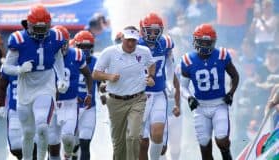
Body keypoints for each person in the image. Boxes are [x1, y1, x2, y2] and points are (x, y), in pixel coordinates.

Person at [2, 5, 68, 160]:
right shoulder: (19, 39)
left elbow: (58, 59)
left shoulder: (56, 37)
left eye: (43, 28)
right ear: (29, 25)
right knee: (28, 132)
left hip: (45, 84)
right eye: (36, 28)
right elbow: (6, 68)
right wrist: (19, 69)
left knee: (43, 127)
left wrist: (62, 78)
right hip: (25, 88)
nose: (40, 32)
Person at [92, 26, 156, 160]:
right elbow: (95, 74)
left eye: (134, 40)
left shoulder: (144, 51)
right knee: (119, 143)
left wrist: (151, 77)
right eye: (128, 40)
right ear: (122, 38)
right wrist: (109, 77)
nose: (131, 43)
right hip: (115, 101)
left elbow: (151, 64)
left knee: (133, 136)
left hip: (137, 99)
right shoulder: (109, 52)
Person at [179, 23, 239, 160]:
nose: (204, 46)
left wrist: (231, 93)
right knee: (205, 149)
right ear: (195, 41)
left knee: (222, 140)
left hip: (219, 104)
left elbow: (234, 75)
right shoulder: (188, 60)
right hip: (200, 107)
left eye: (208, 43)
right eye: (202, 42)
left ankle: (227, 156)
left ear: (213, 42)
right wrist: (189, 97)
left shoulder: (222, 55)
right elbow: (183, 86)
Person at [138, 13, 180, 160]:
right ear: (142, 30)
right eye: (150, 30)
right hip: (138, 96)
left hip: (158, 94)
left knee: (157, 133)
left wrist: (169, 81)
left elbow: (169, 62)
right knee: (142, 143)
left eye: (157, 31)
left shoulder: (165, 43)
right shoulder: (135, 45)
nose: (154, 34)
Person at [47, 25, 93, 160]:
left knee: (68, 138)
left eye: (64, 43)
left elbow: (88, 75)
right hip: (51, 104)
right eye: (58, 44)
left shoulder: (77, 55)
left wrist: (89, 94)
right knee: (52, 143)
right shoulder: (45, 56)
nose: (62, 47)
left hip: (69, 103)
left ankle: (68, 154)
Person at [0, 72, 38, 160]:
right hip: (15, 109)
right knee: (16, 147)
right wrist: (1, 105)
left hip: (33, 110)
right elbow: (1, 85)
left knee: (35, 146)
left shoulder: (37, 61)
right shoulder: (10, 63)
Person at [71, 30, 99, 160]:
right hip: (71, 107)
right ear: (76, 46)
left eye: (88, 47)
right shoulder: (70, 60)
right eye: (82, 46)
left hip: (89, 108)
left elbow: (101, 84)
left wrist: (104, 92)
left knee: (85, 143)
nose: (85, 50)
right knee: (70, 143)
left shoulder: (96, 62)